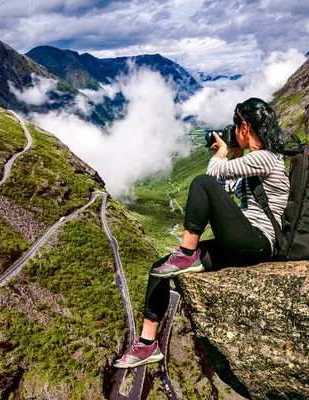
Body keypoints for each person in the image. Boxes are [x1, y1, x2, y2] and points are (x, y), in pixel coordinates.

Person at [113, 97, 290, 369]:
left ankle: (187, 252)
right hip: (244, 242)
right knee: (160, 268)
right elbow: (225, 191)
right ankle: (148, 345)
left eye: (234, 126)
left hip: (258, 242)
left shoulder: (266, 158)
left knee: (201, 182)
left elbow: (212, 174)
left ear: (244, 126)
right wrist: (235, 155)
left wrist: (221, 152)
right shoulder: (256, 161)